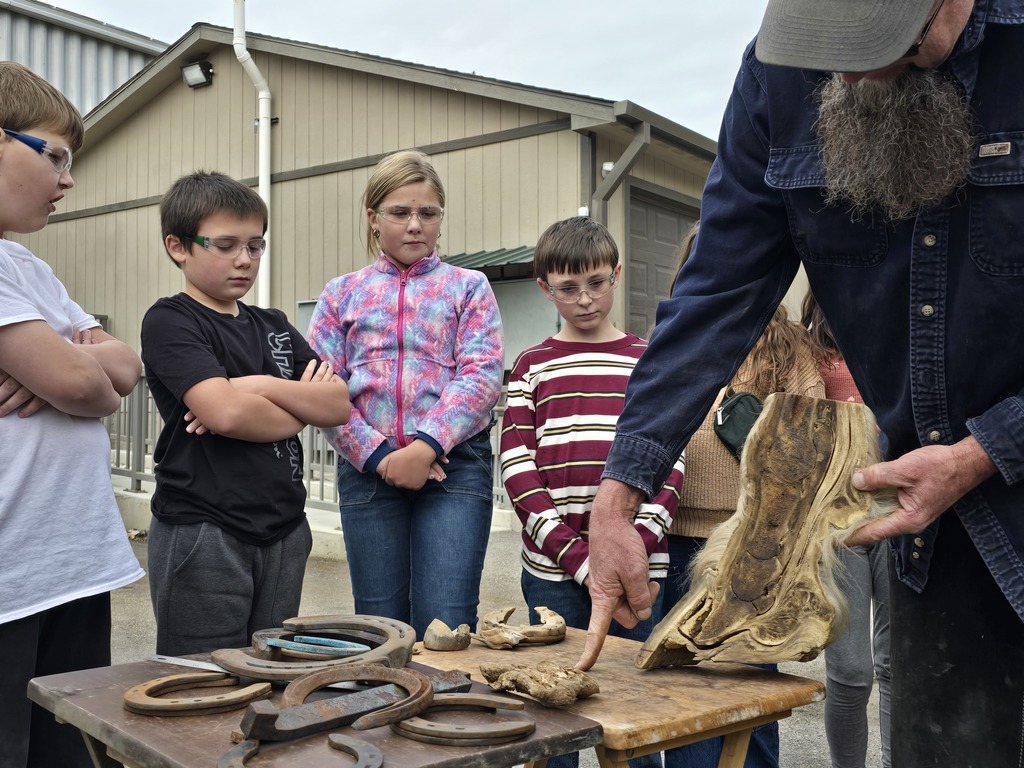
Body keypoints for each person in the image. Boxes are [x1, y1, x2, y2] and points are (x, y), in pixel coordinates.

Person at [580, 1, 1024, 764]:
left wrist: (986, 449)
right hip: (935, 533)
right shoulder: (779, 76)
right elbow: (714, 291)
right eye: (825, 47)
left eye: (876, 44)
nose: (843, 75)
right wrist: (621, 491)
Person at [0, 61, 145, 767]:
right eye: (54, 155)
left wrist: (69, 370)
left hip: (71, 567)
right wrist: (75, 371)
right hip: (11, 578)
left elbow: (125, 367)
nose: (68, 179)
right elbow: (85, 384)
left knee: (72, 746)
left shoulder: (29, 268)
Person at [141, 170, 350, 656]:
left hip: (284, 526)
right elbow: (228, 415)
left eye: (255, 246)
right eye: (226, 245)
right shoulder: (171, 320)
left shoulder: (274, 325)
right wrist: (297, 405)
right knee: (202, 677)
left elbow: (337, 404)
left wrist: (259, 386)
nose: (245, 259)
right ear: (178, 246)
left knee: (271, 670)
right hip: (204, 527)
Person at [500, 215, 682, 768]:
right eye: (568, 287)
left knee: (632, 711)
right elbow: (517, 469)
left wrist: (635, 544)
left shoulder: (649, 360)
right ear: (545, 287)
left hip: (636, 567)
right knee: (554, 714)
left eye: (597, 283)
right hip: (554, 571)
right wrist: (582, 562)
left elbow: (672, 460)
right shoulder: (530, 366)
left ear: (616, 275)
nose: (584, 299)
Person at [307, 149, 504, 639]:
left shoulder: (469, 287)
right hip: (367, 471)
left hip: (455, 467)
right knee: (379, 625)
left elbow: (481, 376)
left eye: (428, 213)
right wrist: (378, 457)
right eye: (399, 212)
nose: (415, 225)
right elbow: (321, 388)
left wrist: (424, 447)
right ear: (373, 218)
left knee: (447, 618)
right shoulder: (341, 294)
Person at [654, 223, 824, 768]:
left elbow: (810, 431)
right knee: (683, 681)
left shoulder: (789, 346)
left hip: (749, 538)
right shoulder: (677, 331)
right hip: (676, 535)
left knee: (749, 682)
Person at [802, 291, 891, 768]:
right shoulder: (808, 349)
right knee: (851, 671)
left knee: (896, 665)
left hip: (898, 513)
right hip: (837, 521)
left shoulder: (898, 337)